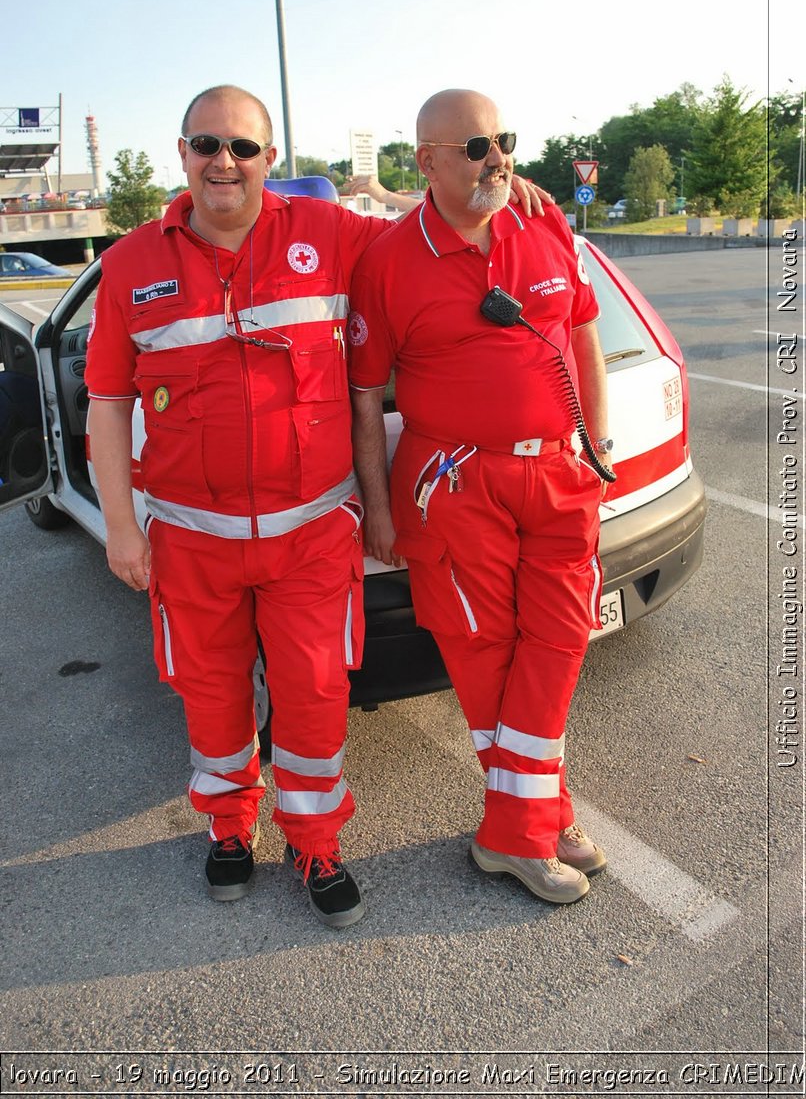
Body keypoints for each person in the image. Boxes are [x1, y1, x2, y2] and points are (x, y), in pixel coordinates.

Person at [85, 84, 548, 923]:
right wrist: (121, 526)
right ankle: (229, 828)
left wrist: (498, 182)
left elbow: (435, 230)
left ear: (272, 159)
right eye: (205, 144)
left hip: (309, 538)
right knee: (211, 694)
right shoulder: (129, 265)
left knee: (313, 697)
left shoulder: (332, 236)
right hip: (191, 541)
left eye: (244, 147)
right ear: (181, 154)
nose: (223, 161)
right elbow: (108, 405)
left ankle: (314, 843)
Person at [349, 89, 611, 906]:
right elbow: (364, 398)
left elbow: (582, 337)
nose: (495, 157)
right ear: (425, 162)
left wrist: (595, 450)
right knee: (485, 657)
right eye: (473, 147)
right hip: (454, 486)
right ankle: (535, 826)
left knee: (563, 634)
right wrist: (379, 511)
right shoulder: (388, 260)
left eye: (501, 140)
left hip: (559, 475)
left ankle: (516, 825)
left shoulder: (546, 225)